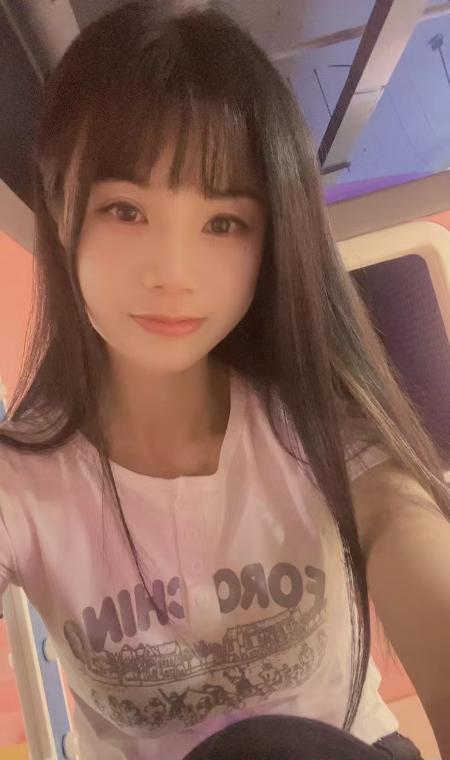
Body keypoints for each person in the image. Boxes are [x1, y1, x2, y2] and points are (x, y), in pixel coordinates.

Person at [0, 2, 449, 758]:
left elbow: (412, 542)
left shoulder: (320, 428)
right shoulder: (22, 482)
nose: (174, 274)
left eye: (222, 223)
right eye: (124, 210)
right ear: (59, 207)